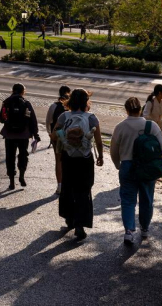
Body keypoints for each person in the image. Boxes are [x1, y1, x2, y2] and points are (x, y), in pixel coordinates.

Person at [111, 97, 162, 245]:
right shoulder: (151, 126)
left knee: (128, 199)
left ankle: (129, 231)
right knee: (146, 198)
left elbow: (114, 151)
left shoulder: (120, 127)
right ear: (140, 109)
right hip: (147, 167)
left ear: (126, 109)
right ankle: (145, 228)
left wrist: (118, 165)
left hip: (127, 166)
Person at [55, 88, 104, 241]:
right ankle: (80, 225)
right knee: (83, 190)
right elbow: (98, 140)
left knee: (68, 187)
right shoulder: (91, 118)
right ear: (85, 102)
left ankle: (69, 218)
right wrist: (100, 156)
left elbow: (54, 134)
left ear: (70, 101)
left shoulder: (64, 116)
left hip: (68, 157)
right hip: (85, 158)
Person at [0, 83, 40, 191]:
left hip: (9, 134)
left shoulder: (6, 102)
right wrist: (35, 134)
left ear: (12, 90)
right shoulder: (26, 103)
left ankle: (12, 181)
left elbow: (1, 118)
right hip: (23, 134)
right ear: (23, 91)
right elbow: (32, 120)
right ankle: (21, 175)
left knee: (10, 157)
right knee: (23, 155)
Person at [46, 86, 71, 195]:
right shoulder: (72, 107)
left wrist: (50, 134)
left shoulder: (54, 106)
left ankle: (60, 185)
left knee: (59, 161)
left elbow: (48, 122)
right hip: (70, 138)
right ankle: (68, 184)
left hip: (58, 138)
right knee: (70, 161)